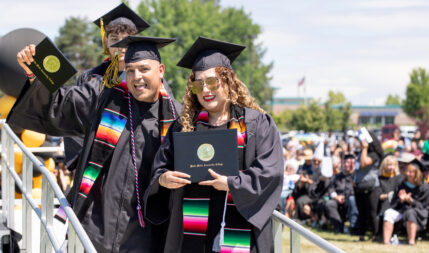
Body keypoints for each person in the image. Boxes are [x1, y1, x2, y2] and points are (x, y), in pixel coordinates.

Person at [9, 35, 180, 252]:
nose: (137, 77)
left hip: (146, 233)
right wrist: (35, 74)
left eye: (144, 69)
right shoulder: (105, 99)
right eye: (130, 70)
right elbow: (61, 104)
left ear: (161, 70)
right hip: (96, 223)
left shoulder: (177, 117)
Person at [143, 37, 283, 252]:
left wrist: (233, 183)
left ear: (228, 81)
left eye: (212, 82)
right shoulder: (185, 127)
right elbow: (160, 168)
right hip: (192, 231)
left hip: (240, 229)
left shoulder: (256, 124)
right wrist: (163, 179)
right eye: (198, 84)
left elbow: (270, 172)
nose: (205, 90)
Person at [63, 3, 179, 172]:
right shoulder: (91, 78)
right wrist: (82, 160)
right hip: (97, 162)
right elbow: (74, 119)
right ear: (106, 42)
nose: (120, 45)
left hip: (142, 160)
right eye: (114, 39)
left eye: (125, 40)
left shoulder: (153, 81)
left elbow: (168, 117)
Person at [382, 160, 429, 245]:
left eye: (410, 172)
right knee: (388, 213)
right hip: (402, 210)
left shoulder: (424, 186)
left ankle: (411, 241)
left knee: (410, 212)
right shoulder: (402, 184)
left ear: (417, 173)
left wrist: (411, 200)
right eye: (407, 171)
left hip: (418, 213)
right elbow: (394, 202)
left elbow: (423, 205)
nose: (407, 173)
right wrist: (401, 200)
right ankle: (386, 241)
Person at [354, 131, 384, 241]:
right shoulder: (360, 153)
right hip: (360, 186)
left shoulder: (374, 155)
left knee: (372, 212)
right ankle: (361, 235)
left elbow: (364, 163)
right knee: (361, 213)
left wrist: (364, 149)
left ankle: (375, 235)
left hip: (372, 187)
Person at [322, 153, 358, 233]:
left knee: (352, 200)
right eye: (345, 162)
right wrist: (336, 197)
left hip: (350, 199)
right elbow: (331, 188)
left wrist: (346, 197)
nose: (346, 165)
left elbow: (356, 189)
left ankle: (354, 228)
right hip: (337, 199)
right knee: (329, 204)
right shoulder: (337, 176)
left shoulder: (356, 176)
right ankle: (339, 227)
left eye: (349, 163)